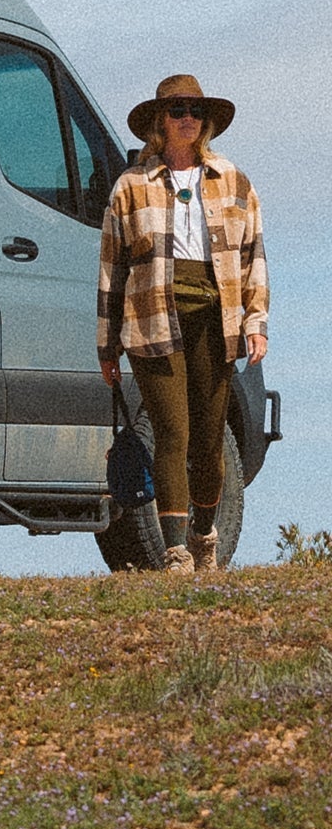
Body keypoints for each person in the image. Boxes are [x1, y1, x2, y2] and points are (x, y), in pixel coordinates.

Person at [97, 75, 269, 574]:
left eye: (194, 109)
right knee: (171, 432)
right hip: (151, 319)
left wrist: (256, 323)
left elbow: (252, 256)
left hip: (218, 320)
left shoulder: (234, 181)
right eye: (176, 110)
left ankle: (204, 535)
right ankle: (175, 551)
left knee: (209, 436)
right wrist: (107, 345)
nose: (187, 118)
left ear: (205, 120)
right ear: (160, 121)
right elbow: (112, 270)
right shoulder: (131, 186)